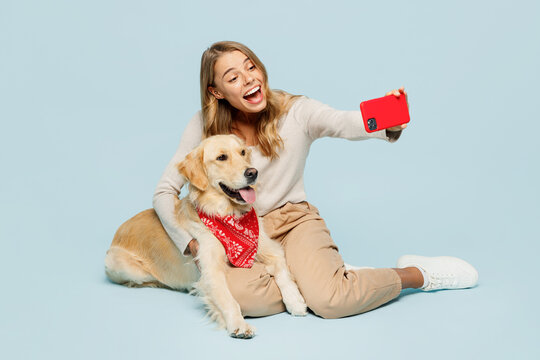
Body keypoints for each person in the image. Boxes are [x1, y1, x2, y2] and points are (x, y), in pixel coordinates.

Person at [153, 41, 478, 319]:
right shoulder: (202, 125)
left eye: (251, 67)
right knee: (240, 298)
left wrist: (387, 122)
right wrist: (190, 243)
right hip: (238, 232)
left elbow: (343, 122)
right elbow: (165, 191)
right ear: (216, 91)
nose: (249, 79)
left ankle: (415, 274)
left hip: (292, 220)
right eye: (233, 77)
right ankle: (324, 274)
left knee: (330, 302)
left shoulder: (296, 111)